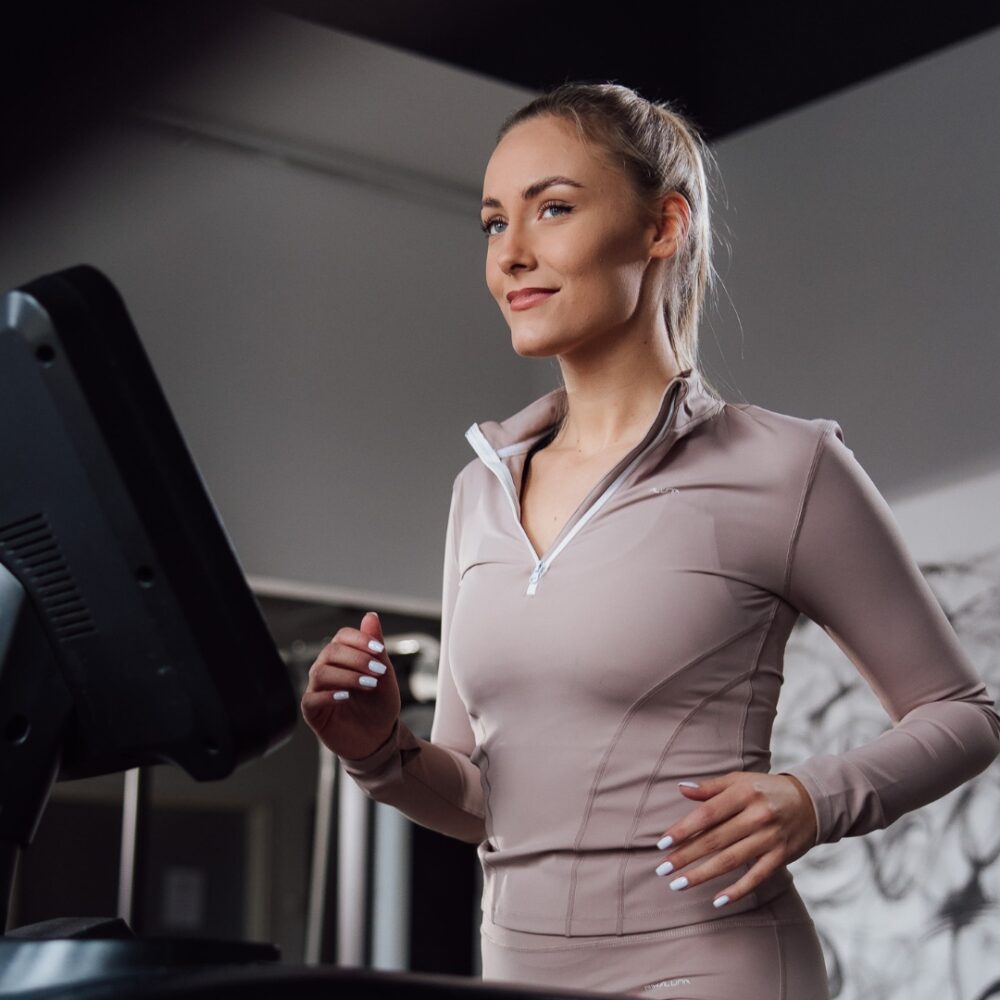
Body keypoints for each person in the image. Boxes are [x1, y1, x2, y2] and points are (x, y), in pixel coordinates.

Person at [300, 82, 1000, 999]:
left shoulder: (789, 467)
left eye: (552, 209)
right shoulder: (479, 491)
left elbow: (965, 713)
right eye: (491, 222)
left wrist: (811, 801)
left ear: (662, 226)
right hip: (516, 972)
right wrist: (379, 750)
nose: (511, 254)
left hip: (714, 967)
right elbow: (482, 799)